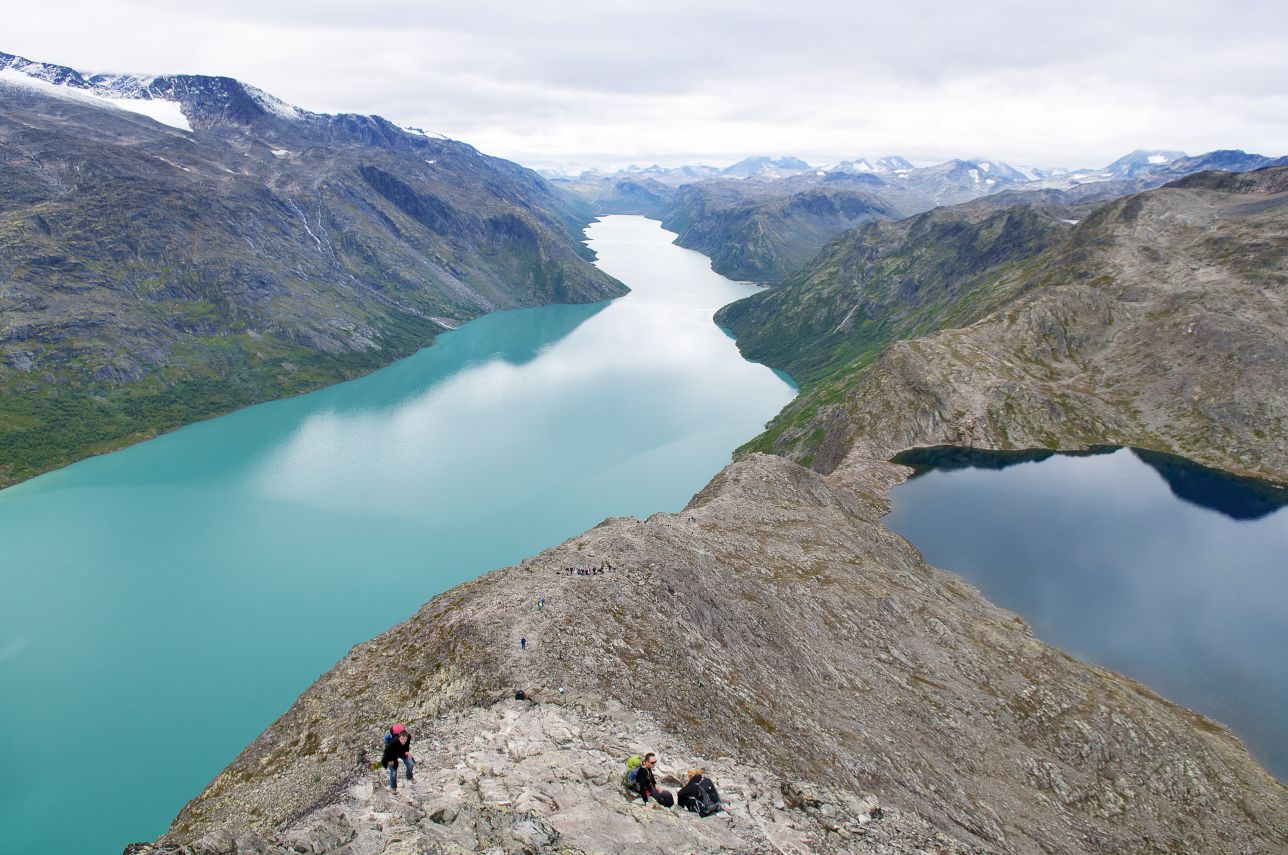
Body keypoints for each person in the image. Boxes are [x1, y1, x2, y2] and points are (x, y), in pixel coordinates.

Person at [380, 724, 414, 791]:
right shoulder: (393, 742)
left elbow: (407, 745)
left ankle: (409, 777)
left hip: (402, 752)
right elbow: (386, 752)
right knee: (393, 772)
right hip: (392, 754)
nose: (403, 740)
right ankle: (393, 787)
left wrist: (407, 751)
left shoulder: (408, 737)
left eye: (404, 738)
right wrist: (390, 760)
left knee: (411, 763)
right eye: (401, 738)